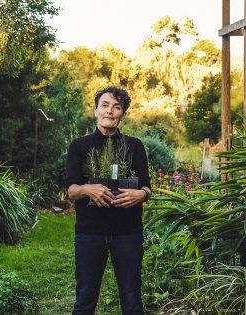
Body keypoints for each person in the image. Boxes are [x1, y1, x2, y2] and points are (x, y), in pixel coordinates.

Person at [65, 86, 151, 315]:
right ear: (96, 111)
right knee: (84, 299)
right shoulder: (79, 146)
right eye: (105, 105)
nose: (110, 111)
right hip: (89, 233)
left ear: (122, 113)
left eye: (117, 107)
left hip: (128, 233)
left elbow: (147, 186)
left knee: (132, 298)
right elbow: (71, 190)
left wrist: (141, 194)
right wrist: (87, 189)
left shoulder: (135, 146)